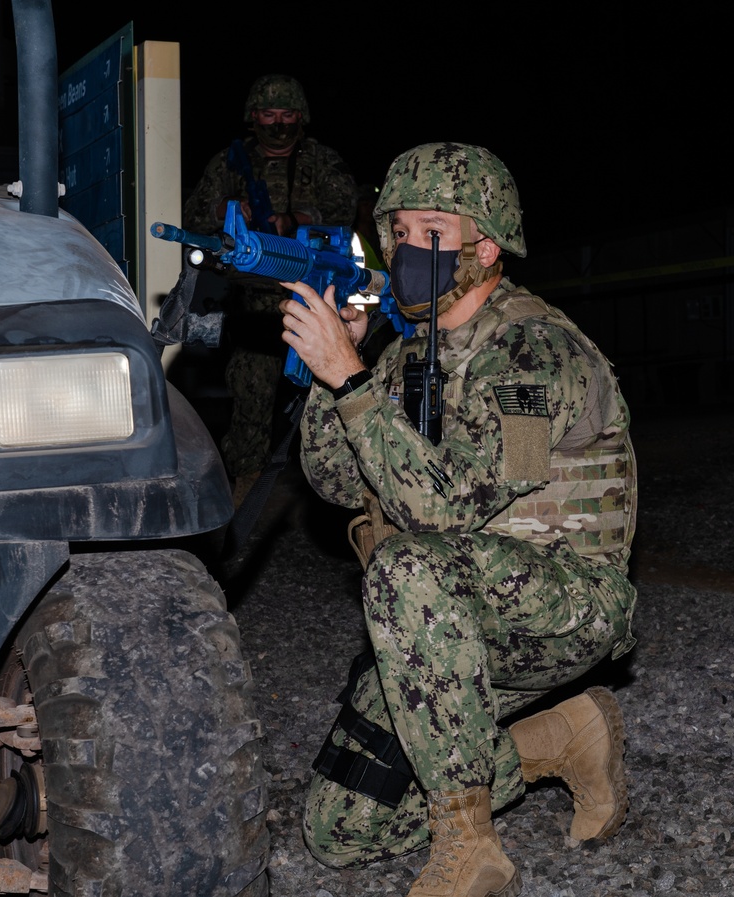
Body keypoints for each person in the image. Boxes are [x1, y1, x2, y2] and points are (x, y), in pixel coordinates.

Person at [277, 142, 637, 897]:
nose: (411, 249)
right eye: (399, 230)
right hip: (444, 622)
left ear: (486, 243)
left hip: (561, 602)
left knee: (408, 563)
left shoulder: (534, 352)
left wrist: (349, 378)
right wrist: (330, 373)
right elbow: (339, 479)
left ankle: (469, 845)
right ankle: (559, 738)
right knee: (340, 827)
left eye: (432, 231)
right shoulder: (411, 351)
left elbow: (443, 509)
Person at [183, 74, 358, 504]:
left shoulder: (321, 161)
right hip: (254, 301)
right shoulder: (231, 162)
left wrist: (295, 218)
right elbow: (195, 221)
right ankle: (245, 480)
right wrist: (230, 211)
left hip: (314, 292)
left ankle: (341, 479)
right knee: (251, 389)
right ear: (253, 116)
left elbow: (344, 210)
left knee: (328, 387)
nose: (278, 124)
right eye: (268, 114)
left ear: (302, 117)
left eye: (287, 115)